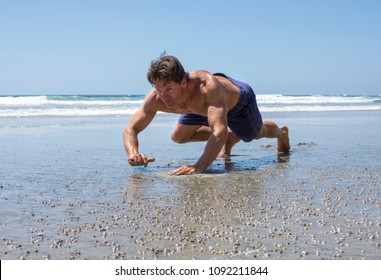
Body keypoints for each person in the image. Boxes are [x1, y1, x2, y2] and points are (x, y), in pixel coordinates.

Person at [123, 54, 290, 175]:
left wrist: (199, 166)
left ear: (183, 82)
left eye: (169, 89)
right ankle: (231, 136)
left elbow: (218, 132)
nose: (163, 97)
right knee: (178, 136)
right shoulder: (155, 98)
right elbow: (131, 129)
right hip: (200, 109)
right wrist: (133, 153)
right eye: (158, 89)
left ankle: (281, 133)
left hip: (237, 101)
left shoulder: (207, 88)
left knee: (254, 134)